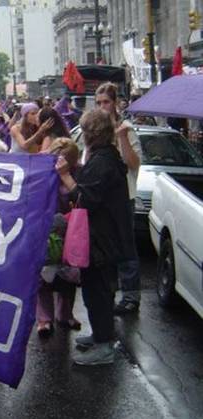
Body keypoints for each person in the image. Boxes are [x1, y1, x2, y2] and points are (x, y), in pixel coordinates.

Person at [56, 109, 133, 365]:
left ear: (91, 133)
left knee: (98, 292)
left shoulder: (102, 162)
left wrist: (65, 176)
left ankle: (104, 346)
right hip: (105, 237)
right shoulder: (106, 157)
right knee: (97, 291)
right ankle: (102, 335)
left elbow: (86, 198)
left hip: (102, 240)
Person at [94, 82, 142, 315]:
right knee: (105, 247)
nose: (103, 107)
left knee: (125, 246)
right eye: (99, 102)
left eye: (106, 102)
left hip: (124, 196)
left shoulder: (126, 128)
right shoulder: (94, 130)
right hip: (101, 197)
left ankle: (131, 295)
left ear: (115, 103)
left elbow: (133, 165)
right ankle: (108, 294)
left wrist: (121, 137)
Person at [36, 138, 81, 336]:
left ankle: (65, 314)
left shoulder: (79, 172)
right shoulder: (41, 171)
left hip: (71, 230)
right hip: (45, 228)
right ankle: (44, 319)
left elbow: (81, 196)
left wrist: (65, 176)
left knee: (69, 275)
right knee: (44, 277)